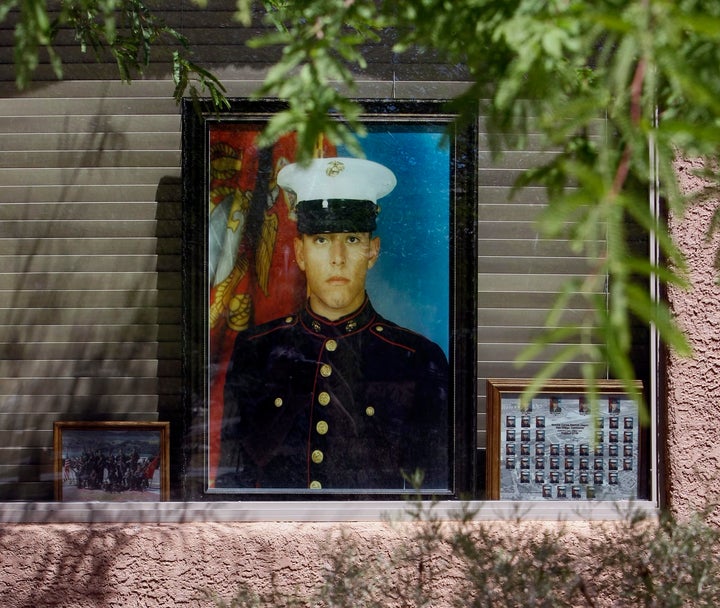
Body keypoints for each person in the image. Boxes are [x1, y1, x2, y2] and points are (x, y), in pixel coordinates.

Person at [216, 157, 450, 491]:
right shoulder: (257, 350)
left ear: (373, 251)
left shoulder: (417, 360)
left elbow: (433, 494)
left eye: (352, 239)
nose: (337, 256)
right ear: (300, 252)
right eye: (322, 240)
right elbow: (231, 482)